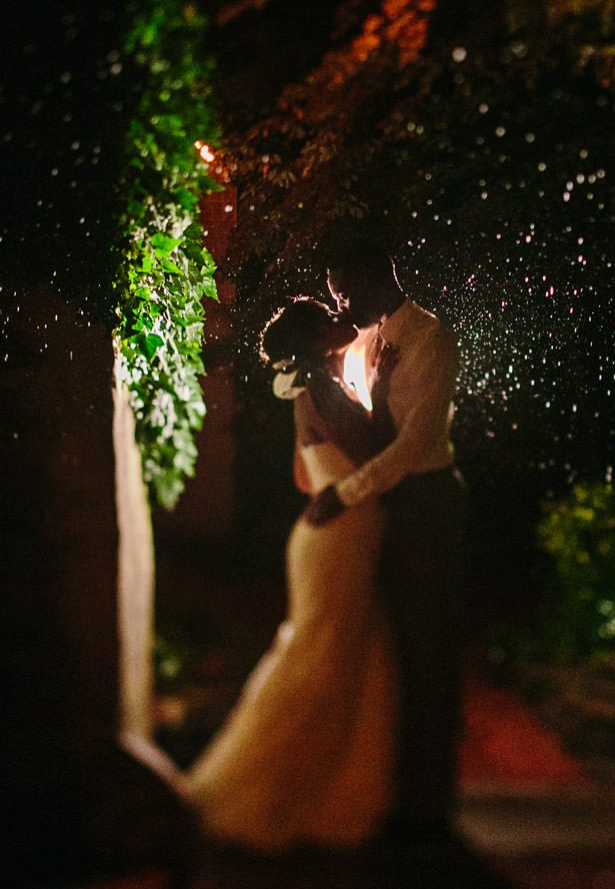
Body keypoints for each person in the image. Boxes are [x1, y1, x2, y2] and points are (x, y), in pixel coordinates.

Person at [180, 298, 397, 853]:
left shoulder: (310, 391)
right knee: (320, 657)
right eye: (329, 318)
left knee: (332, 653)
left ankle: (325, 798)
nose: (339, 321)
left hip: (328, 533)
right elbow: (378, 454)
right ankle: (268, 796)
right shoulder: (326, 389)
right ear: (320, 338)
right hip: (340, 536)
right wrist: (382, 382)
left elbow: (304, 474)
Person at [306, 238, 467, 847]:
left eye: (345, 291)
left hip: (426, 501)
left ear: (381, 276)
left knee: (427, 645)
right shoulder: (365, 338)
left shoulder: (430, 339)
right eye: (332, 293)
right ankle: (391, 790)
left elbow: (413, 445)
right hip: (384, 501)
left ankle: (428, 807)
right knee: (387, 649)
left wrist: (344, 493)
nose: (338, 303)